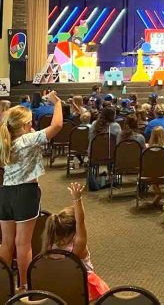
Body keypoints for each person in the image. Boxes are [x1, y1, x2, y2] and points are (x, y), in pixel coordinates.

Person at [0, 94, 63, 289]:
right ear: (23, 125)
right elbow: (57, 126)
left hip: (5, 193)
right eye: (29, 123)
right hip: (26, 193)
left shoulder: (5, 141)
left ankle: (3, 283)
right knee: (23, 244)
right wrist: (58, 103)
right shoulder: (28, 139)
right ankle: (24, 286)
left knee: (7, 243)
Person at [42, 182, 109, 301]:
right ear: (74, 231)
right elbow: (81, 221)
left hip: (57, 286)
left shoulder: (48, 246)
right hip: (81, 287)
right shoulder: (77, 248)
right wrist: (77, 198)